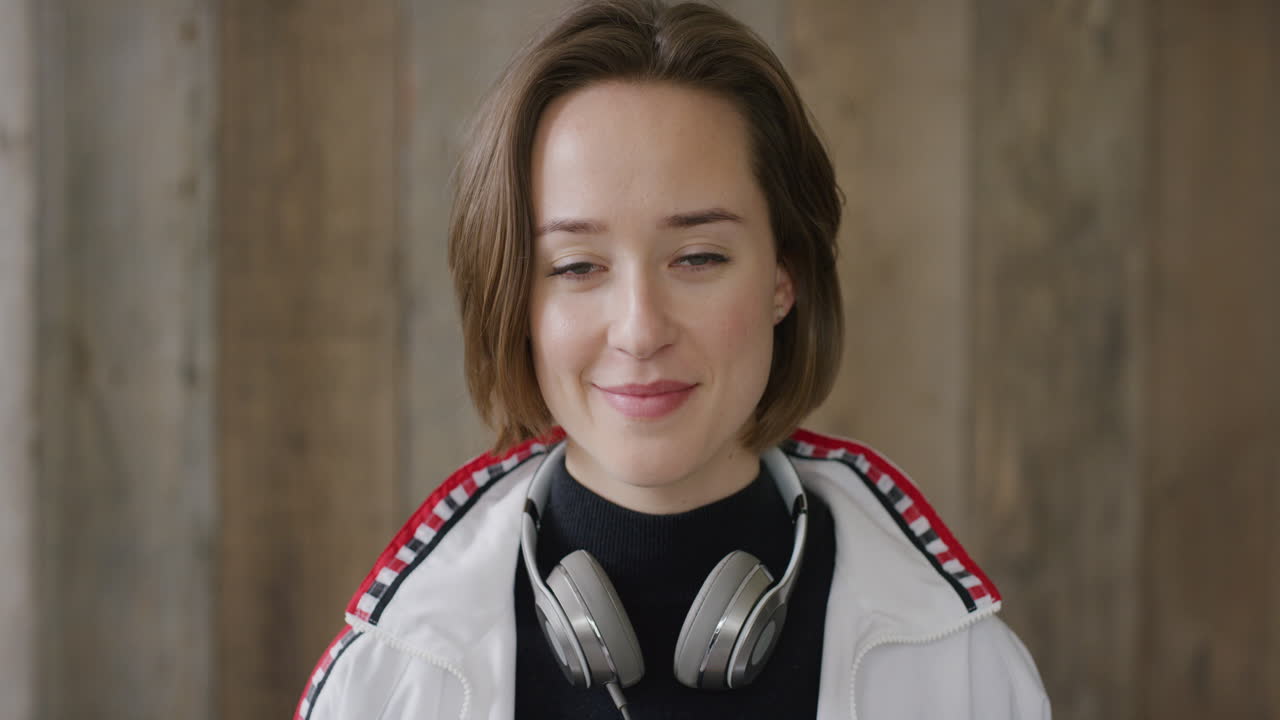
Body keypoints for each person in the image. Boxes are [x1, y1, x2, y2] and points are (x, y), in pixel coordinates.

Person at [295, 0, 1050, 718]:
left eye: (696, 257)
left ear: (784, 278)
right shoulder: (389, 680)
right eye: (577, 267)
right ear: (516, 302)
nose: (639, 330)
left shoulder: (964, 670)